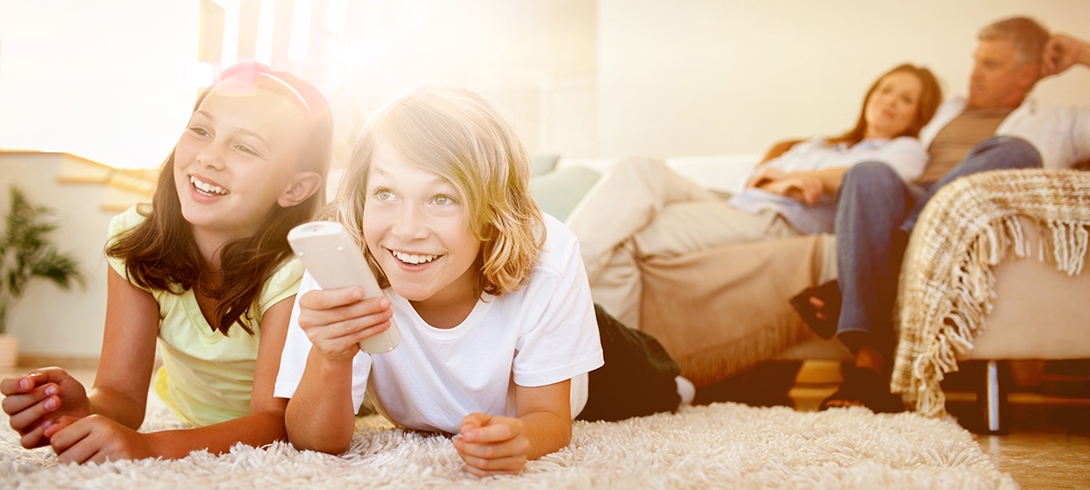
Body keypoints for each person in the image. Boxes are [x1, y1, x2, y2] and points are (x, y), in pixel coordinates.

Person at [274, 87, 690, 478]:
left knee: (664, 384)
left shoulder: (550, 257)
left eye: (442, 199)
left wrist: (523, 439)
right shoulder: (342, 268)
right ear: (363, 196)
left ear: (493, 211)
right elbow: (314, 443)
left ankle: (677, 382)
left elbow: (549, 417)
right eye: (386, 193)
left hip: (602, 369)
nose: (408, 229)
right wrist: (330, 357)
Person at [0, 63, 333, 463]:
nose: (210, 157)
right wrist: (85, 408)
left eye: (244, 147)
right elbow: (121, 395)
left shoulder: (294, 269)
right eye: (201, 130)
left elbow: (273, 422)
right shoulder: (135, 240)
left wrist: (150, 447)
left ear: (295, 188)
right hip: (193, 418)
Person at [795, 17, 1090, 412]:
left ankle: (892, 255)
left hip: (972, 217)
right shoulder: (946, 109)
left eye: (991, 64)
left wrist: (1082, 54)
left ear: (1028, 74)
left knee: (1015, 151)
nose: (975, 74)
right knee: (867, 173)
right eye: (976, 60)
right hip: (911, 202)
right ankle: (869, 364)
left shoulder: (1061, 122)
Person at [565, 64, 943, 330]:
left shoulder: (906, 150)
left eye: (906, 99)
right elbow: (757, 180)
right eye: (886, 89)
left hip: (774, 223)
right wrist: (783, 182)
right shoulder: (820, 144)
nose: (890, 100)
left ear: (918, 116)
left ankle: (559, 292)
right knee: (639, 168)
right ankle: (570, 286)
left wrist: (796, 178)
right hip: (735, 203)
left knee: (627, 238)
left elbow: (874, 183)